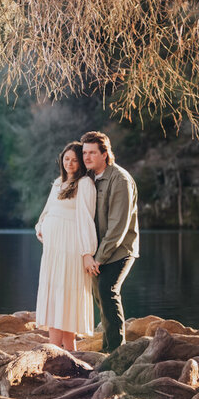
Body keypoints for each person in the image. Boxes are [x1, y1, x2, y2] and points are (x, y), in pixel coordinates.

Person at [34, 142, 98, 351]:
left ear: (81, 162)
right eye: (66, 158)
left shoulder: (86, 184)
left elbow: (87, 219)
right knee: (54, 294)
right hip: (53, 250)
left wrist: (87, 252)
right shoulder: (57, 183)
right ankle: (54, 349)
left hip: (71, 248)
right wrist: (41, 226)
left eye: (74, 159)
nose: (69, 163)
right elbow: (47, 212)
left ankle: (70, 351)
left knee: (68, 295)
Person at [81, 130, 139, 353]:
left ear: (105, 154)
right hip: (98, 252)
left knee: (108, 290)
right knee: (100, 297)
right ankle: (107, 349)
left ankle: (117, 353)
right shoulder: (89, 179)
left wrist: (98, 258)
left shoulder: (120, 179)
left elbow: (118, 227)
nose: (87, 157)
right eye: (85, 152)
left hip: (120, 250)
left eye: (92, 153)